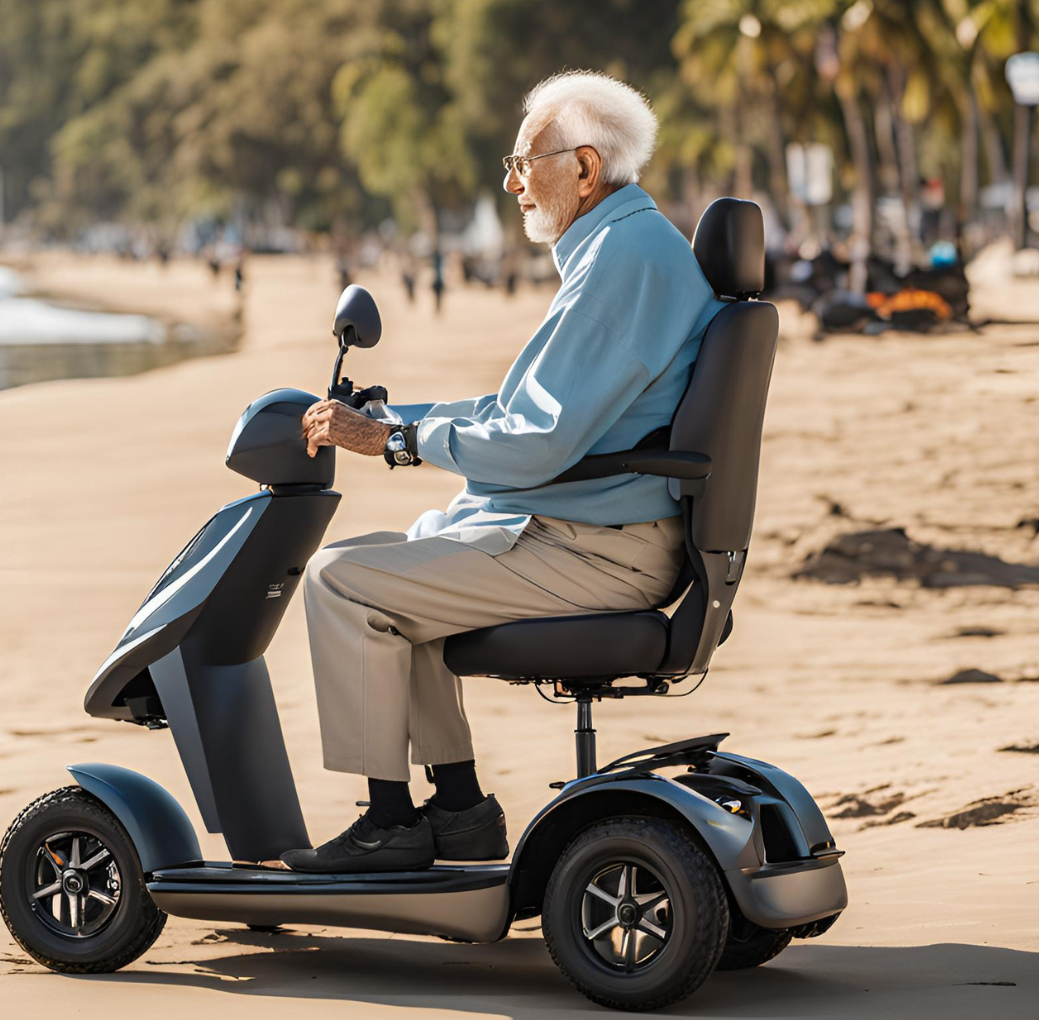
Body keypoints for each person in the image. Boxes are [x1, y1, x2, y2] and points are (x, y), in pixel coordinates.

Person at [283, 70, 722, 873]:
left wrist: (396, 444)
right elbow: (523, 410)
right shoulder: (626, 246)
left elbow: (535, 441)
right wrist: (399, 417)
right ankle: (458, 814)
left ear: (585, 169)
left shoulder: (623, 259)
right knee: (410, 557)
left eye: (525, 163)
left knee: (341, 581)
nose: (514, 183)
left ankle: (391, 823)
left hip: (601, 549)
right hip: (604, 529)